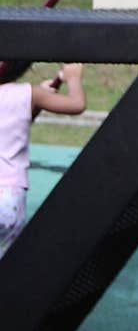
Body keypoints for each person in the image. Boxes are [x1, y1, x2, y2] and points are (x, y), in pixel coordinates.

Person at [0, 59, 86, 257]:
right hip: (8, 196)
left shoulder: (32, 95)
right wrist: (73, 78)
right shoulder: (30, 94)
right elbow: (76, 104)